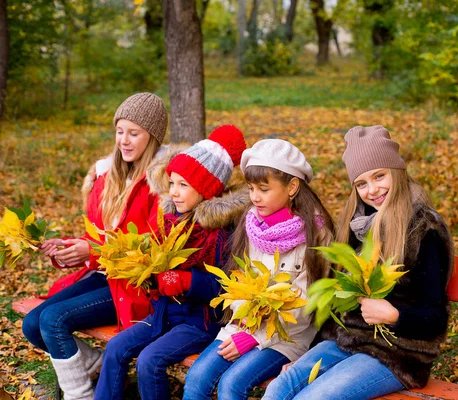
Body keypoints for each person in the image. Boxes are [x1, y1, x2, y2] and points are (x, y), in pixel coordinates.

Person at [262, 125, 454, 400]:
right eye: (361, 183)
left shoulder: (424, 229)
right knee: (279, 388)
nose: (372, 190)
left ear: (396, 173)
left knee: (313, 398)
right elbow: (338, 302)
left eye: (379, 176)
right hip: (346, 340)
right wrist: (306, 357)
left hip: (398, 353)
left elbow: (435, 318)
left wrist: (395, 315)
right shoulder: (357, 224)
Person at [21, 93, 168, 400]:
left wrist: (95, 252)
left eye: (134, 133)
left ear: (152, 136)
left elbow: (152, 250)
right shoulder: (108, 178)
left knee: (53, 320)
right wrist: (67, 249)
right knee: (33, 324)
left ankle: (80, 395)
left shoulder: (161, 184)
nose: (124, 141)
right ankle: (97, 364)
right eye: (119, 131)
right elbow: (97, 239)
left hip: (136, 286)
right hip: (103, 277)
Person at [95, 125, 248, 400]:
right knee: (116, 347)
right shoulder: (170, 221)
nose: (174, 192)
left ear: (207, 190)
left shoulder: (219, 233)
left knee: (150, 360)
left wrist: (185, 281)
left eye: (183, 185)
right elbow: (157, 263)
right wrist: (144, 271)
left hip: (198, 323)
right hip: (163, 315)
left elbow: (225, 287)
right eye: (172, 183)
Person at [182, 139, 334, 400]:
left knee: (232, 385)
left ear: (292, 187)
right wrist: (244, 330)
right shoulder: (251, 224)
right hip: (242, 326)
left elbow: (306, 302)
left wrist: (256, 338)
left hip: (287, 338)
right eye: (251, 188)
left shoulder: (317, 234)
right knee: (197, 377)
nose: (254, 196)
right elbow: (239, 282)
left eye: (264, 188)